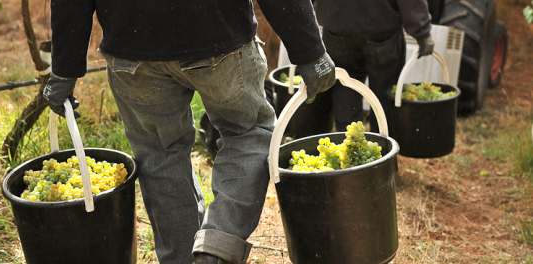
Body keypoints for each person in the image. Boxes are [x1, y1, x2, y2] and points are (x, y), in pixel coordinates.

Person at [42, 1, 336, 263]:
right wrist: (309, 50)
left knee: (160, 154)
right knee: (249, 133)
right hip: (218, 35)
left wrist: (64, 70)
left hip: (132, 48)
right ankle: (217, 248)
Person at [313, 0, 435, 133]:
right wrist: (422, 31)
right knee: (385, 91)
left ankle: (349, 144)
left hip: (337, 24)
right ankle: (383, 146)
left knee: (345, 87)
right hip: (381, 28)